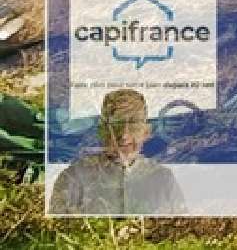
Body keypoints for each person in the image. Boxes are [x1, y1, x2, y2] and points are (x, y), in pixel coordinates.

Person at [50, 88, 186, 215]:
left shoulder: (163, 179)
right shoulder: (74, 178)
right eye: (116, 125)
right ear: (102, 131)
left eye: (133, 125)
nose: (124, 136)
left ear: (146, 132)